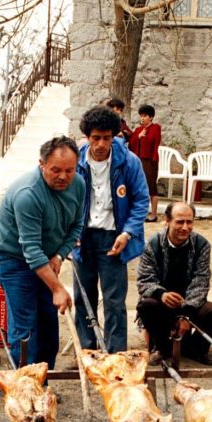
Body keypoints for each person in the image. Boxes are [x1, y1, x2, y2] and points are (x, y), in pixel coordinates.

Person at [0, 136, 85, 368]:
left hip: (47, 258)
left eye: (69, 170)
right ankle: (25, 390)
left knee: (48, 324)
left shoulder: (79, 184)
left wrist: (59, 255)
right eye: (56, 170)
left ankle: (43, 384)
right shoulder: (28, 194)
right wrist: (57, 288)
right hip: (14, 260)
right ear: (41, 164)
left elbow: (77, 225)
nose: (63, 176)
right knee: (25, 328)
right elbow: (31, 249)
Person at [72, 105, 149, 353]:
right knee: (83, 297)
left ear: (115, 135)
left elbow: (141, 200)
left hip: (114, 237)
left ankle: (116, 354)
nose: (101, 144)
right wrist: (69, 232)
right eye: (96, 138)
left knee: (114, 299)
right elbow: (63, 197)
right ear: (87, 136)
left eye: (107, 138)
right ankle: (87, 350)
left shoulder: (129, 162)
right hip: (82, 237)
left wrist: (127, 233)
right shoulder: (74, 160)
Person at [136, 202, 212, 365]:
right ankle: (162, 348)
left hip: (190, 302)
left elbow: (201, 282)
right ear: (167, 221)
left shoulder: (202, 245)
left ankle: (196, 349)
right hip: (163, 303)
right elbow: (144, 280)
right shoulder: (153, 244)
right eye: (179, 222)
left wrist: (187, 313)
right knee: (146, 306)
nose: (185, 227)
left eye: (189, 222)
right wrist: (161, 294)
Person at [128, 103, 162, 222]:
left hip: (150, 161)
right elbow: (131, 143)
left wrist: (145, 137)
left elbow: (155, 141)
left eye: (145, 116)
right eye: (141, 116)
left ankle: (153, 214)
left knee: (151, 186)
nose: (142, 118)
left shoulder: (156, 128)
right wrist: (138, 137)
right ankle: (140, 212)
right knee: (138, 186)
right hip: (138, 161)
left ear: (151, 117)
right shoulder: (138, 130)